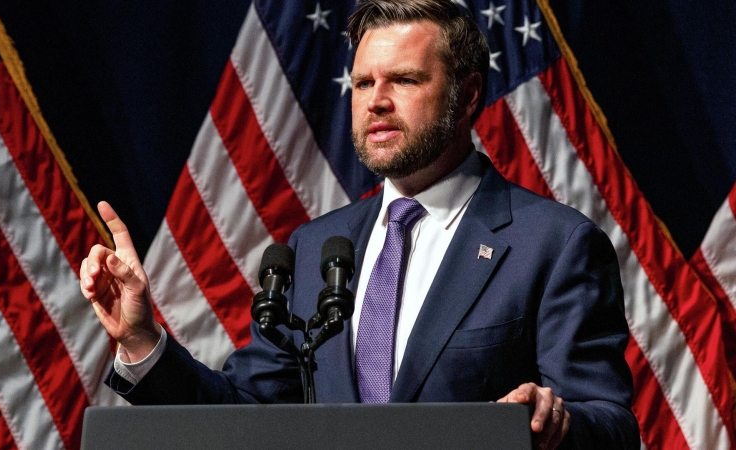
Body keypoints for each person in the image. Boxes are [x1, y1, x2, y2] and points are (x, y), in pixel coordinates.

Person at [80, 1, 639, 448]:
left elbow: (612, 423)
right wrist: (141, 338)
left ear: (468, 95)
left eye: (405, 80)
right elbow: (246, 418)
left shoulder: (554, 244)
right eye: (363, 83)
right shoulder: (315, 247)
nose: (377, 102)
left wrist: (555, 424)